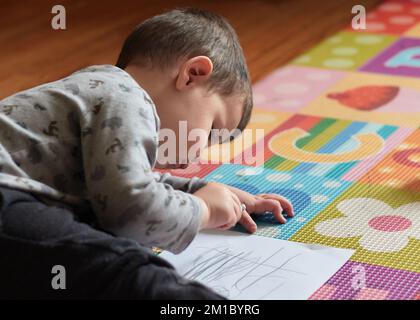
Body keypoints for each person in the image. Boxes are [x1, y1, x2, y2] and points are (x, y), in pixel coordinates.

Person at [0, 8, 293, 299]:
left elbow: (118, 185)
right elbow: (131, 209)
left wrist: (202, 189)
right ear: (192, 75)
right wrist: (203, 210)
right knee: (123, 268)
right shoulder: (125, 96)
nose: (197, 156)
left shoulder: (104, 91)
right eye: (212, 129)